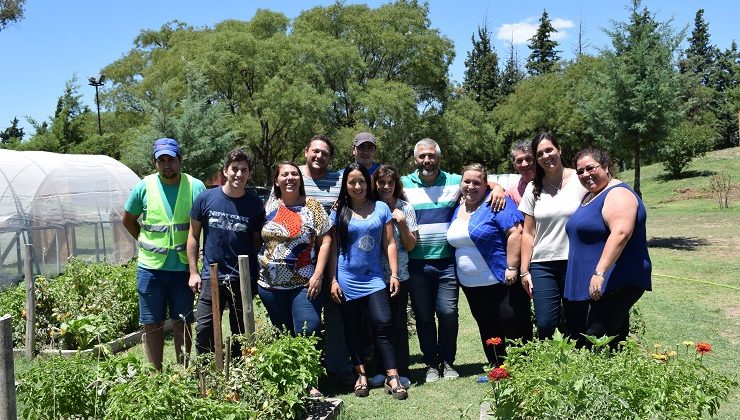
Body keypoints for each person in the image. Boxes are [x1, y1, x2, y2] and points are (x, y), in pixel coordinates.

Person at [401, 138, 506, 383]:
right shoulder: (404, 184)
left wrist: (497, 187)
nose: (427, 160)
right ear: (415, 159)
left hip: (447, 261)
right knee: (424, 316)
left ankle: (448, 362)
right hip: (416, 262)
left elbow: (478, 181)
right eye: (422, 156)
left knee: (448, 313)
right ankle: (430, 365)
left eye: (431, 156)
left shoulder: (453, 181)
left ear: (438, 158)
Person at [122, 138, 206, 370]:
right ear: (155, 162)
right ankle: (155, 374)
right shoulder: (144, 186)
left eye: (171, 159)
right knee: (152, 323)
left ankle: (184, 369)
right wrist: (144, 240)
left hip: (183, 269)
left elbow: (203, 224)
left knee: (183, 321)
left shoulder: (195, 186)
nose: (167, 165)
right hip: (151, 269)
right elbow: (128, 219)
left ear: (181, 159)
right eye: (162, 160)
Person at [329, 163, 408, 400]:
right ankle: (360, 374)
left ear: (368, 183)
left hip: (375, 278)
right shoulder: (339, 211)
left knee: (383, 322)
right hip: (347, 279)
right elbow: (333, 248)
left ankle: (392, 376)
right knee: (353, 328)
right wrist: (332, 279)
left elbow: (390, 243)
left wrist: (394, 274)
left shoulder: (381, 208)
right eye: (352, 182)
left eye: (361, 181)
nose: (357, 186)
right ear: (345, 185)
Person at [258, 161, 332, 397]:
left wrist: (319, 274)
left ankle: (310, 381)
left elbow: (326, 240)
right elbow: (255, 239)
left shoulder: (313, 207)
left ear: (300, 179)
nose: (290, 178)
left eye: (294, 174)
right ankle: (289, 381)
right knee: (283, 332)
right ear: (277, 181)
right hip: (270, 285)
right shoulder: (267, 206)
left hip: (305, 281)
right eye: (284, 175)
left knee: (308, 328)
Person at [565, 148, 652, 349]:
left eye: (590, 168)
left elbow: (621, 233)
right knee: (614, 344)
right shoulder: (592, 195)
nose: (585, 174)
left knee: (593, 342)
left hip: (616, 281)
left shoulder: (618, 193)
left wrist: (599, 272)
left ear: (605, 166)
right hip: (604, 285)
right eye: (580, 171)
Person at [447, 164, 532, 367]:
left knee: (513, 326)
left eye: (477, 182)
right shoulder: (459, 208)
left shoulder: (496, 202)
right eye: (467, 181)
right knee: (487, 328)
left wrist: (512, 267)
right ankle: (497, 370)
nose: (471, 186)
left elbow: (516, 232)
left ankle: (525, 369)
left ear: (486, 185)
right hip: (471, 286)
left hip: (501, 281)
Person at [186, 148, 264, 358]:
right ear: (225, 171)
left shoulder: (255, 204)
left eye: (244, 170)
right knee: (205, 330)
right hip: (212, 276)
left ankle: (241, 375)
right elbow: (193, 237)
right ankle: (206, 373)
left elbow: (257, 242)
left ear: (249, 174)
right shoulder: (206, 199)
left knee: (241, 331)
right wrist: (193, 272)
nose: (239, 174)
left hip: (242, 278)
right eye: (235, 169)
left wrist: (255, 275)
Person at [296, 134, 354, 386]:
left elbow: (366, 182)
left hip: (335, 257)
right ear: (306, 151)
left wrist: (493, 185)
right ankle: (309, 370)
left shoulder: (339, 179)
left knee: (336, 315)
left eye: (325, 153)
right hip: (299, 263)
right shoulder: (293, 176)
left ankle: (339, 369)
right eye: (315, 151)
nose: (319, 156)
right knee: (307, 320)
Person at [518, 133, 588, 340]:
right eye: (540, 154)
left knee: (579, 321)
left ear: (560, 150)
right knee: (546, 324)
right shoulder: (533, 188)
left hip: (575, 261)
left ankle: (580, 364)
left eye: (549, 150)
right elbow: (528, 232)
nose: (546, 156)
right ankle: (551, 366)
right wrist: (524, 271)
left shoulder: (581, 179)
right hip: (543, 264)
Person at [367, 165, 418, 389]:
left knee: (397, 323)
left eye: (390, 182)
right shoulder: (368, 207)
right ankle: (380, 370)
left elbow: (411, 245)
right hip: (373, 276)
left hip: (400, 275)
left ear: (396, 184)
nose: (386, 187)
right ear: (375, 184)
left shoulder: (405, 208)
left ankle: (402, 369)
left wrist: (403, 223)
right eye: (381, 182)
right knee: (377, 323)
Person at [506, 140, 535, 205]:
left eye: (529, 158)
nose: (524, 164)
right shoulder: (511, 192)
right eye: (519, 160)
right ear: (514, 165)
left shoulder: (550, 184)